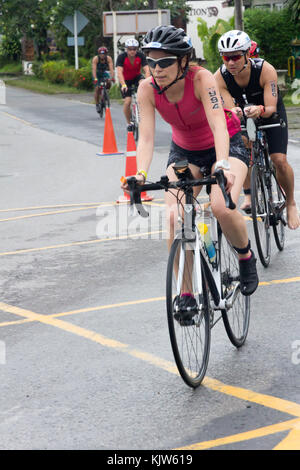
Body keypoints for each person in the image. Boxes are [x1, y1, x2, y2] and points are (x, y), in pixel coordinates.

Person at [121, 25, 259, 306]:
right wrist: (140, 173)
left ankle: (245, 255)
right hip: (185, 152)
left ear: (183, 61)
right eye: (151, 62)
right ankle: (186, 293)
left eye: (165, 62)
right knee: (174, 217)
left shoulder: (201, 79)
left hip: (226, 144)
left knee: (221, 206)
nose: (156, 69)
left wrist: (221, 164)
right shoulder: (146, 88)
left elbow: (219, 124)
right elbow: (145, 137)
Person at [215, 30, 300, 229]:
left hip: (269, 110)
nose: (231, 62)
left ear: (247, 55)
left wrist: (260, 109)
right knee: (243, 150)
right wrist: (234, 111)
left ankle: (290, 203)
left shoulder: (265, 69)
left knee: (279, 159)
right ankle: (250, 194)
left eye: (235, 57)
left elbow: (270, 108)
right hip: (244, 114)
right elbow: (229, 110)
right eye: (226, 58)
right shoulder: (219, 76)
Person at [116, 38, 150, 129]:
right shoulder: (121, 57)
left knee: (143, 82)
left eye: (134, 49)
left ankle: (142, 111)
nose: (132, 51)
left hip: (136, 77)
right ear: (126, 49)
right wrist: (123, 85)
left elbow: (146, 69)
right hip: (125, 80)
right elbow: (119, 72)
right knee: (127, 102)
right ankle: (129, 123)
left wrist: (147, 82)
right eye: (130, 49)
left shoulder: (141, 56)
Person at [92, 46, 115, 114]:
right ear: (99, 54)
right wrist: (95, 78)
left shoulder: (108, 59)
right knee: (97, 88)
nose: (102, 55)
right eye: (101, 54)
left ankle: (105, 93)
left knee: (109, 82)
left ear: (106, 54)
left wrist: (112, 77)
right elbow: (94, 69)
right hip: (97, 74)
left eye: (104, 54)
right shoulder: (96, 59)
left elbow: (111, 69)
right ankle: (97, 104)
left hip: (104, 73)